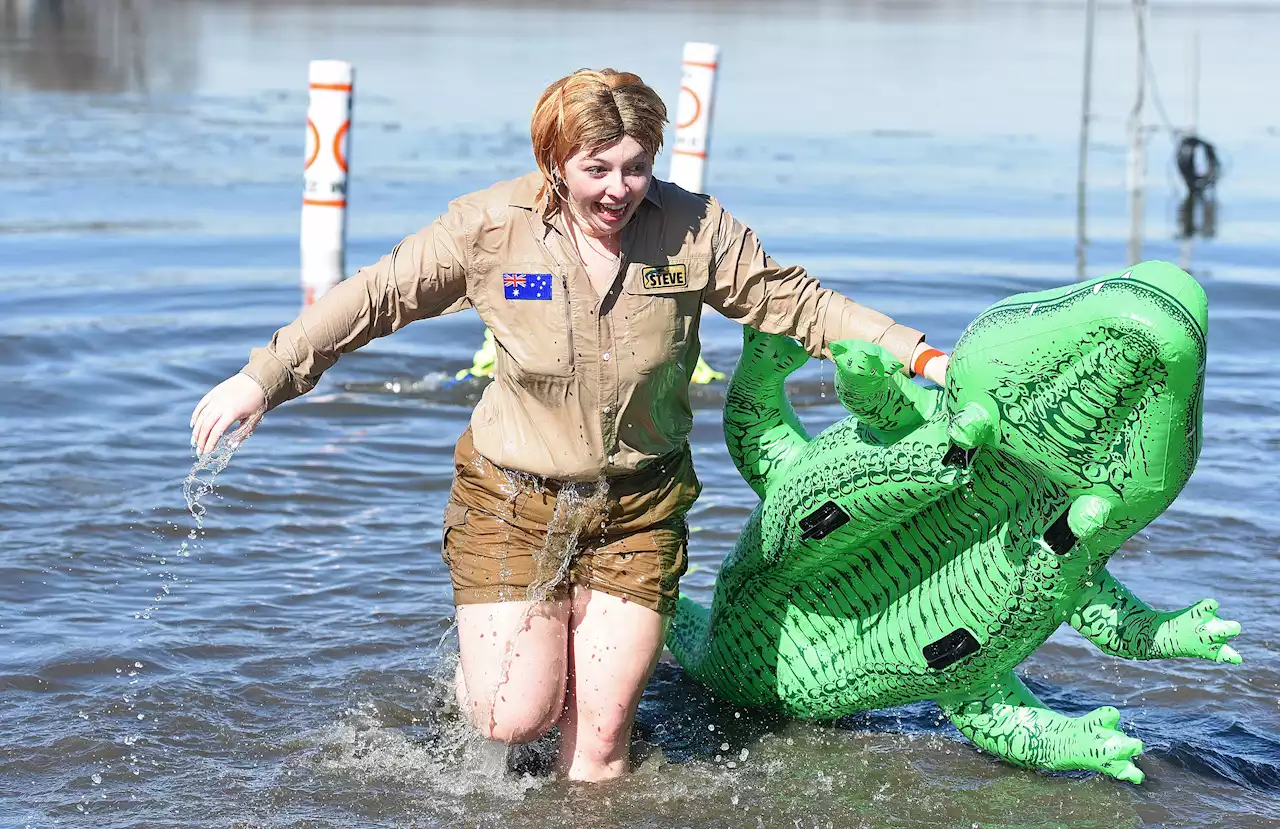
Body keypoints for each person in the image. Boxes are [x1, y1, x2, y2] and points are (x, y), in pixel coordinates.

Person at [189, 68, 949, 782]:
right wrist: (265, 377)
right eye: (598, 169)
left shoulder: (693, 230)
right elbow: (375, 296)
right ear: (555, 162)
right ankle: (488, 674)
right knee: (516, 717)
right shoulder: (491, 228)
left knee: (601, 744)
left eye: (635, 167)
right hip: (511, 501)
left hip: (640, 508)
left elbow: (800, 303)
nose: (619, 189)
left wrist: (924, 357)